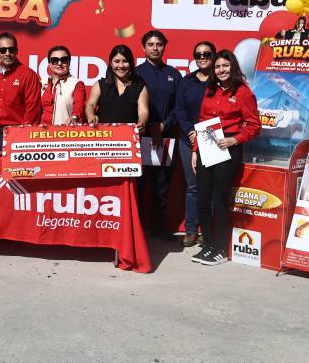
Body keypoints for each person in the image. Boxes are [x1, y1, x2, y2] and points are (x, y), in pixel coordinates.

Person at [191, 50, 261, 266]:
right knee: (202, 199)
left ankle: (220, 248)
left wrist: (235, 140)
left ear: (233, 68)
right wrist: (195, 149)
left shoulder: (243, 93)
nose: (221, 70)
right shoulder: (210, 89)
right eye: (218, 67)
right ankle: (209, 244)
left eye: (225, 66)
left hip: (228, 147)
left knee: (219, 201)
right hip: (206, 145)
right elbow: (202, 120)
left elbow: (254, 125)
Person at [135, 30, 182, 237]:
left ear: (164, 47)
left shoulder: (174, 74)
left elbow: (179, 106)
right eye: (151, 44)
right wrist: (147, 125)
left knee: (162, 184)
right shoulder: (135, 73)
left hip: (165, 136)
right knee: (139, 183)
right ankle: (136, 228)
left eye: (159, 44)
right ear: (143, 47)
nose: (155, 48)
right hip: (140, 137)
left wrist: (164, 125)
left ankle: (159, 228)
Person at [173, 41, 216, 247]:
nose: (202, 57)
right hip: (187, 138)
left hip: (213, 139)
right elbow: (179, 109)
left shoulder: (220, 81)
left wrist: (202, 134)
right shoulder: (186, 81)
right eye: (198, 54)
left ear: (214, 56)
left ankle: (208, 231)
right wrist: (191, 132)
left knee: (212, 187)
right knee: (192, 187)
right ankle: (191, 229)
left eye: (206, 54)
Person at [0, 32, 41, 150]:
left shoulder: (28, 75)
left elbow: (33, 109)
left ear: (16, 51)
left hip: (16, 133)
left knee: (13, 169)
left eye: (11, 50)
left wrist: (24, 135)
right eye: (3, 50)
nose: (7, 53)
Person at [85, 44, 149, 128]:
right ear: (111, 63)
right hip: (103, 136)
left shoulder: (140, 87)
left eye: (125, 61)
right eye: (117, 61)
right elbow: (91, 104)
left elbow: (143, 111)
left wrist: (142, 122)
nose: (121, 66)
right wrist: (90, 115)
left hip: (128, 137)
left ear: (131, 63)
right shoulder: (100, 84)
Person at [40, 45, 86, 125]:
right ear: (49, 64)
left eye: (64, 60)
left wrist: (74, 117)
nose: (59, 63)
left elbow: (79, 105)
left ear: (69, 62)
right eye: (55, 60)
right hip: (42, 133)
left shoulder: (76, 84)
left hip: (64, 132)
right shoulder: (43, 82)